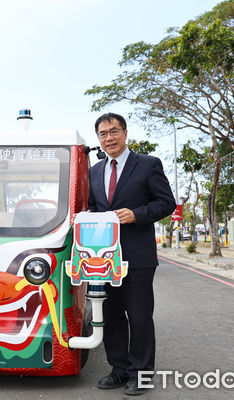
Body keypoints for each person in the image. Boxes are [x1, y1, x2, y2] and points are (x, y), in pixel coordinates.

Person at [87, 113, 175, 396]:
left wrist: (137, 214)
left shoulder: (148, 165)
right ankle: (119, 370)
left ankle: (142, 375)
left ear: (125, 133)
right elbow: (93, 207)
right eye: (103, 133)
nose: (109, 138)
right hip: (103, 257)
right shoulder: (94, 171)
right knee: (111, 316)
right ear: (99, 138)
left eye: (114, 131)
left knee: (139, 317)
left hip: (137, 257)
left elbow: (166, 203)